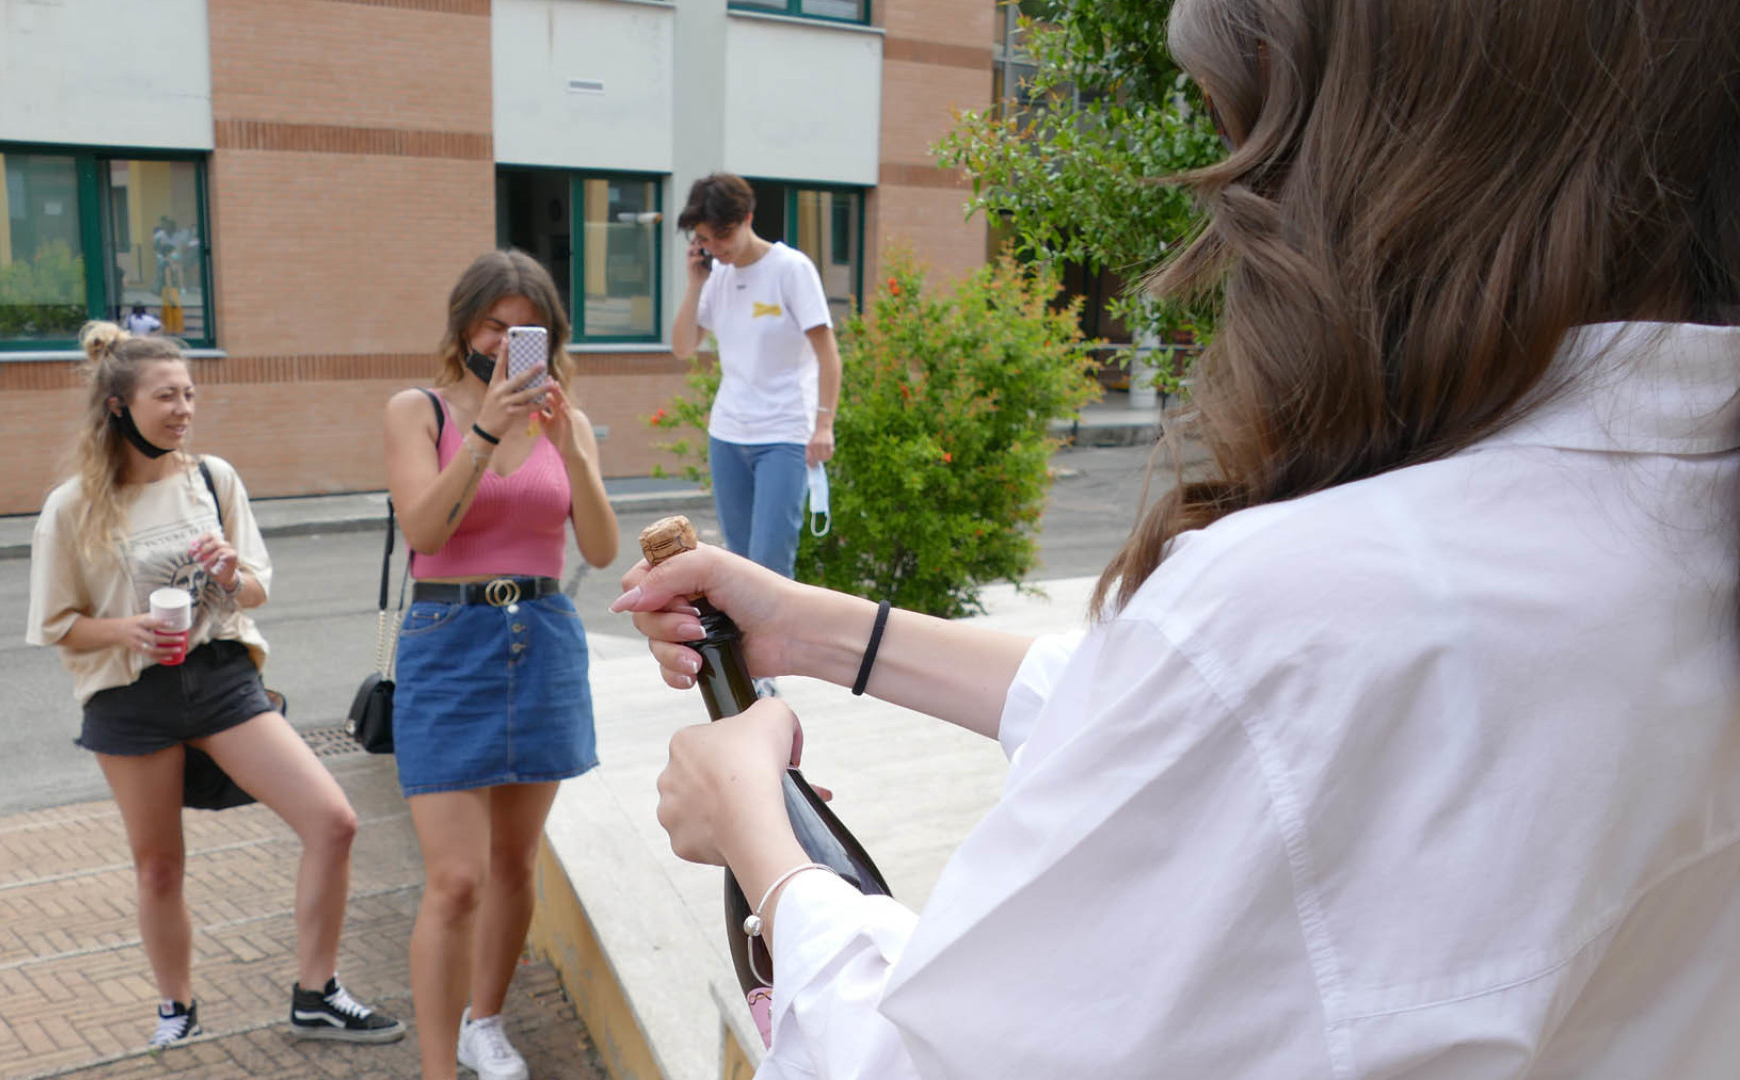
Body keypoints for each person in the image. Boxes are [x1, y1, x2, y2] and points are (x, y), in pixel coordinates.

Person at [612, 0, 1740, 1076]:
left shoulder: (1320, 601)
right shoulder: (1663, 524)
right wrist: (811, 628)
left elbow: (934, 1056)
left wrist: (762, 842)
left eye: (1241, 139)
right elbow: (1172, 706)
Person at [27, 322, 405, 1051]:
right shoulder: (73, 506)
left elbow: (257, 588)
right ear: (117, 406)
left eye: (189, 394)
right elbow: (57, 624)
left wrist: (233, 572)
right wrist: (127, 630)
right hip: (129, 696)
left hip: (222, 676)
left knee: (333, 821)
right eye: (166, 396)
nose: (183, 409)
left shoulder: (212, 480)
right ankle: (178, 1007)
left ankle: (317, 992)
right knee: (161, 866)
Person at [381, 249, 620, 1080]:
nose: (512, 340)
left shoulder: (568, 422)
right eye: (497, 325)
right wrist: (485, 428)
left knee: (518, 863)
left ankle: (487, 1021)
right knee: (454, 880)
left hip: (543, 635)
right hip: (449, 641)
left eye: (531, 329)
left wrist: (574, 449)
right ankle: (440, 1067)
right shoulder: (419, 411)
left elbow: (597, 546)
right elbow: (425, 530)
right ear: (465, 326)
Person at [671, 174, 841, 635]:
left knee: (769, 565)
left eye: (722, 235)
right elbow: (684, 346)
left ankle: (769, 672)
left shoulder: (791, 268)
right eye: (705, 239)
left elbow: (828, 354)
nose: (716, 246)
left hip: (784, 436)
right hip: (727, 435)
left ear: (746, 218)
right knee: (735, 564)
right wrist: (695, 282)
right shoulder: (717, 277)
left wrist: (823, 424)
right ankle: (748, 672)